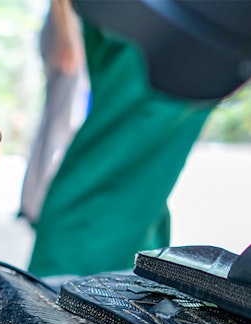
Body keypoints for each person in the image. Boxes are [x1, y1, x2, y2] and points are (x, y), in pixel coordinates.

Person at [26, 19, 215, 277]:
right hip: (171, 28)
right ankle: (58, 291)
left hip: (189, 31)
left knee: (143, 176)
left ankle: (135, 280)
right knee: (117, 163)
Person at [18, 0, 88, 225]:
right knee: (57, 124)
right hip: (65, 28)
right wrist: (69, 36)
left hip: (68, 28)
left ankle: (33, 202)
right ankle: (36, 205)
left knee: (54, 122)